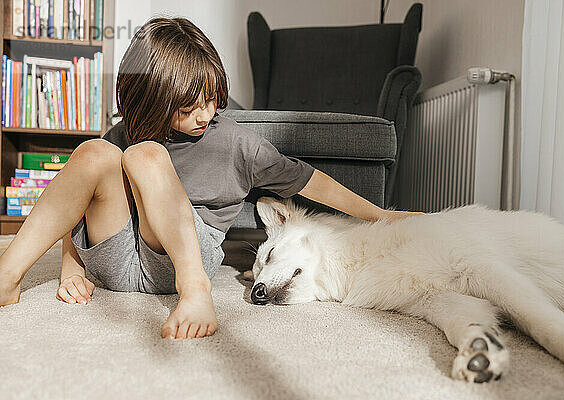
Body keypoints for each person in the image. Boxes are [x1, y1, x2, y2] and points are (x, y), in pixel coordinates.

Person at [0, 17, 421, 339]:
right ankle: (7, 276)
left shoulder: (239, 145)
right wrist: (70, 265)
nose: (203, 114)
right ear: (153, 100)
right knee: (93, 152)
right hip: (113, 258)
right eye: (187, 106)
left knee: (146, 155)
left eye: (211, 98)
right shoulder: (128, 132)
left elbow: (311, 181)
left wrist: (379, 213)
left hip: (181, 260)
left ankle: (196, 292)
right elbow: (77, 203)